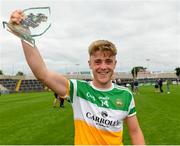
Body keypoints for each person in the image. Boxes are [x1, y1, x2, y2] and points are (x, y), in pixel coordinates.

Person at [9, 10, 145, 145]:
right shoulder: (78, 89)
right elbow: (42, 73)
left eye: (108, 61)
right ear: (90, 64)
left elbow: (135, 132)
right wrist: (24, 35)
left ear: (114, 64)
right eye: (97, 62)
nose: (103, 67)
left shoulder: (126, 95)